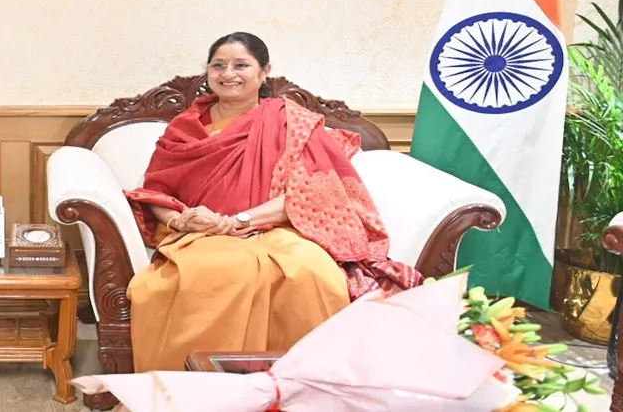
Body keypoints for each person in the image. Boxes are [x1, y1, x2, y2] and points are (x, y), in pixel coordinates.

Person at [124, 32, 422, 373]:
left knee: (313, 274)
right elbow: (156, 192)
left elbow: (311, 193)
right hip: (204, 234)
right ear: (207, 72)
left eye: (241, 65)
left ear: (265, 72)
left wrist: (237, 221)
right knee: (211, 276)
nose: (228, 73)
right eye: (218, 65)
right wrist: (180, 220)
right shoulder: (185, 127)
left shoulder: (291, 121)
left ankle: (302, 387)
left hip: (278, 227)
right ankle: (195, 390)